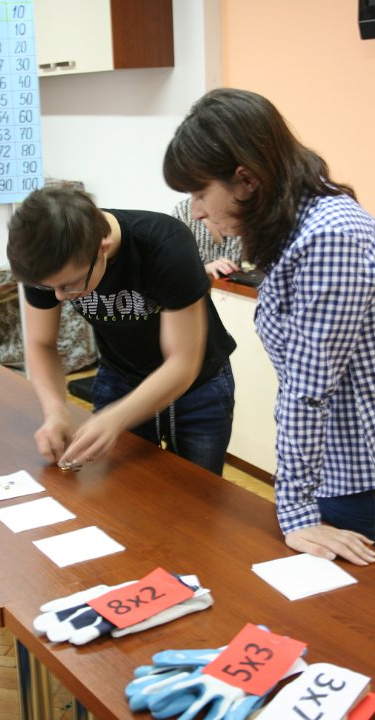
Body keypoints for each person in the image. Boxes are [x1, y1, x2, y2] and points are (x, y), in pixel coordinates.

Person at [163, 87, 375, 567]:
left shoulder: (329, 237)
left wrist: (296, 509)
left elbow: (307, 389)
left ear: (245, 180)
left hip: (359, 472)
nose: (196, 211)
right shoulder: (297, 227)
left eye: (200, 193)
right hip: (337, 464)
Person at [7, 186, 236, 475]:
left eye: (69, 285)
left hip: (198, 387)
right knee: (122, 491)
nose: (59, 297)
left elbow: (182, 362)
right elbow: (41, 343)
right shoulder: (47, 259)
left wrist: (115, 418)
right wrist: (55, 411)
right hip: (120, 377)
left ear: (102, 247)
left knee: (197, 491)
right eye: (48, 287)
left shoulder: (165, 244)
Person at [172, 196, 242, 279]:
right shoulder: (183, 212)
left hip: (230, 285)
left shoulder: (239, 210)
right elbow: (173, 269)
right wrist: (204, 269)